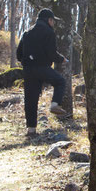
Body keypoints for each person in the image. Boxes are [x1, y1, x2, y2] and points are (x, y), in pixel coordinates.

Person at [16, 8, 68, 136]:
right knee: (60, 81)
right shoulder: (49, 32)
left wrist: (26, 61)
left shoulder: (27, 32)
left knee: (30, 99)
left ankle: (31, 129)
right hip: (42, 67)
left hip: (28, 69)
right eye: (53, 21)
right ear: (49, 20)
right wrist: (62, 59)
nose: (53, 23)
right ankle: (55, 104)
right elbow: (51, 53)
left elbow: (18, 54)